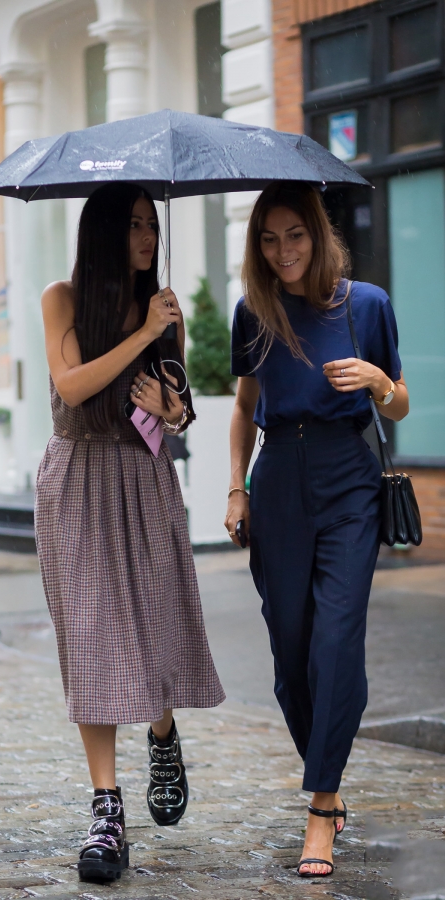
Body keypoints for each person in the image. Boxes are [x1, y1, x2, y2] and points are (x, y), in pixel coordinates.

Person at [36, 182, 225, 884]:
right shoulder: (63, 298)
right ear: (106, 231)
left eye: (153, 224)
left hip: (143, 482)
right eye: (136, 224)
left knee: (151, 627)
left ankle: (164, 731)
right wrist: (141, 333)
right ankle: (106, 810)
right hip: (77, 479)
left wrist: (172, 406)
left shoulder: (165, 308)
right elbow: (74, 384)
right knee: (93, 637)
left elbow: (179, 409)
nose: (148, 237)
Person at [225, 182, 408, 878]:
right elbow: (245, 407)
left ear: (318, 233)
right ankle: (325, 767)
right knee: (292, 648)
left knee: (336, 639)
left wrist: (377, 382)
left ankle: (322, 806)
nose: (284, 251)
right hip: (277, 484)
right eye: (269, 240)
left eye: (294, 235)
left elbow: (400, 404)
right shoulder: (254, 312)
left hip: (347, 479)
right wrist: (236, 486)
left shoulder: (368, 305)